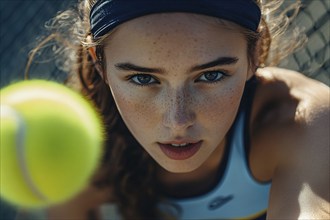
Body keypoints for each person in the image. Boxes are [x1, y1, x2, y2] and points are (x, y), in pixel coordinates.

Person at [21, 0, 329, 219]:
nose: (177, 121)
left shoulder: (305, 122)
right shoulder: (76, 160)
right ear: (99, 63)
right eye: (142, 78)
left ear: (254, 53)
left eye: (211, 75)